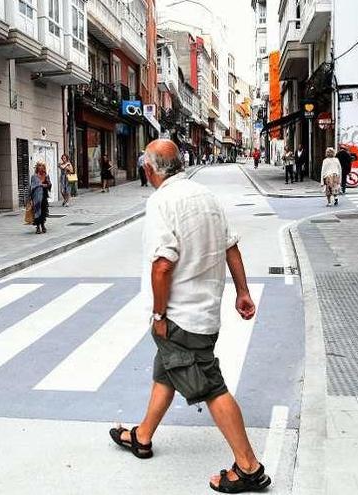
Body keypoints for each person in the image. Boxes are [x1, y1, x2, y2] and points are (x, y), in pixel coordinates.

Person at [109, 139, 270, 494]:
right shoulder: (206, 196)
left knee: (210, 385)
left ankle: (249, 467)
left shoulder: (161, 202)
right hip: (206, 310)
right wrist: (242, 291)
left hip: (182, 318)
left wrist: (159, 313)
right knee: (166, 371)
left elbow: (162, 265)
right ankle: (143, 437)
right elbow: (231, 246)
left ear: (150, 170)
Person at [29, 161, 51, 234]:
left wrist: (46, 185)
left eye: (42, 166)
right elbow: (32, 187)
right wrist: (30, 198)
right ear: (37, 167)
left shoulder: (46, 176)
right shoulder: (34, 176)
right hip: (36, 197)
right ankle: (38, 227)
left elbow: (49, 185)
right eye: (39, 166)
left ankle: (43, 225)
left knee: (43, 211)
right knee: (37, 211)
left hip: (44, 196)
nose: (41, 167)